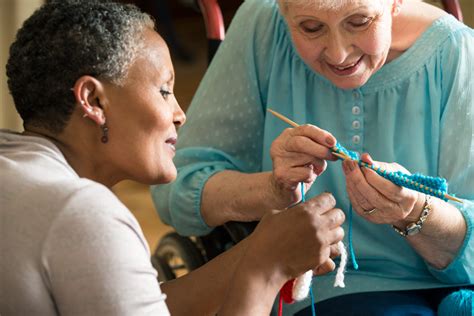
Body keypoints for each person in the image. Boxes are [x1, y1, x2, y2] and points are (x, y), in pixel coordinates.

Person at [0, 1, 347, 315]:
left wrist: (264, 249)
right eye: (164, 90)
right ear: (93, 100)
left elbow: (135, 301)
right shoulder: (83, 213)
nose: (179, 113)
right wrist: (265, 269)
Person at [151, 0, 474, 314]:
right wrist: (271, 190)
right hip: (333, 292)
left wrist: (416, 212)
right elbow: (176, 189)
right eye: (311, 27)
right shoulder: (263, 25)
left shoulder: (457, 51)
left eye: (359, 22)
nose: (339, 53)